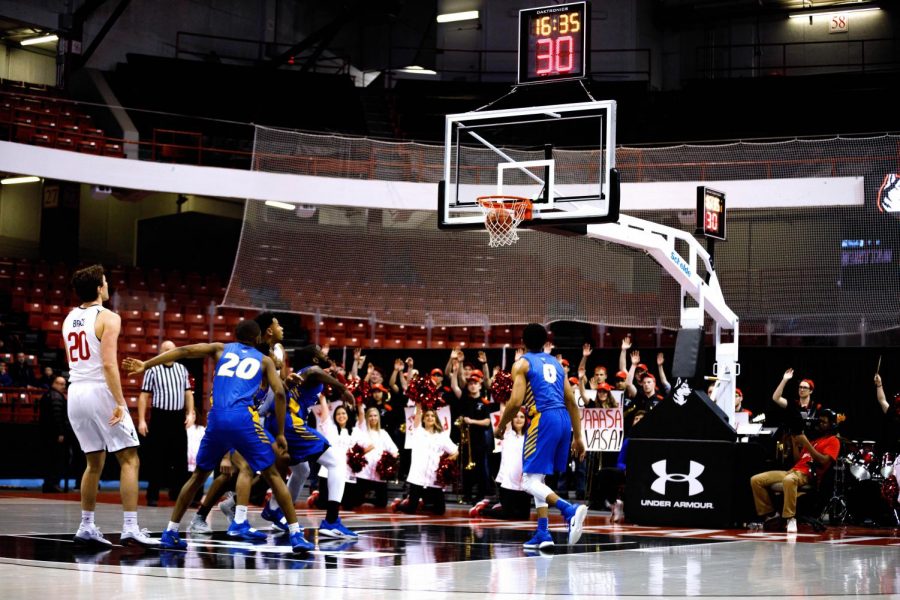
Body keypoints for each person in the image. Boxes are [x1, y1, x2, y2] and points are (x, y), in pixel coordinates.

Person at [122, 320, 315, 553]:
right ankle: (295, 534)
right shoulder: (264, 360)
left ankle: (171, 530)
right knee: (273, 473)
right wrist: (282, 433)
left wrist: (146, 364)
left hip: (216, 420)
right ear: (257, 339)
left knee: (198, 477)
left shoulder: (220, 348)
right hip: (243, 419)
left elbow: (183, 350)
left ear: (235, 336)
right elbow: (281, 395)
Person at [62, 264, 157, 548]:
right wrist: (119, 402)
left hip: (75, 392)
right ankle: (130, 527)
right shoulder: (109, 317)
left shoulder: (68, 318)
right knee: (129, 458)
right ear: (100, 288)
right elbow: (107, 364)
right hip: (99, 391)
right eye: (105, 281)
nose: (107, 284)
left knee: (93, 463)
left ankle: (86, 525)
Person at [494, 323, 588, 550]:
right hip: (564, 419)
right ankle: (543, 532)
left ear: (523, 342)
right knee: (538, 479)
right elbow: (571, 400)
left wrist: (501, 425)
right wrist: (578, 437)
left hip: (543, 419)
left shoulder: (522, 363)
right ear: (545, 342)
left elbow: (516, 402)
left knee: (527, 481)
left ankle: (569, 510)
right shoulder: (556, 363)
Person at [258, 343, 359, 539]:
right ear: (314, 359)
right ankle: (331, 521)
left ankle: (274, 509)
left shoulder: (304, 373)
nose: (324, 354)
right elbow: (313, 371)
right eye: (320, 353)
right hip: (290, 424)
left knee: (301, 470)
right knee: (336, 462)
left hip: (281, 423)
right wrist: (342, 388)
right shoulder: (310, 370)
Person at [749, 409, 841, 533]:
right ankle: (771, 515)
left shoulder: (833, 441)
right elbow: (798, 460)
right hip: (793, 471)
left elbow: (824, 461)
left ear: (832, 425)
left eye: (824, 422)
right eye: (819, 421)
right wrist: (794, 440)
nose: (820, 424)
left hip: (808, 474)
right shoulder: (814, 440)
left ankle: (790, 518)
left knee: (789, 480)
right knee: (756, 480)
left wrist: (806, 443)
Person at [136, 340, 195, 507]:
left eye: (171, 350)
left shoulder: (182, 369)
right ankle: (152, 495)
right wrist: (141, 420)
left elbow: (188, 393)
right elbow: (143, 396)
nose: (169, 352)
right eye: (166, 349)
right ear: (160, 351)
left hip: (177, 418)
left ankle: (178, 494)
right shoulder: (152, 369)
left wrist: (190, 413)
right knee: (156, 458)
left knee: (180, 458)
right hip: (159, 417)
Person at [393, 403, 458, 515]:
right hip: (417, 477)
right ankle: (398, 505)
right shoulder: (418, 431)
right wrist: (419, 404)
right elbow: (418, 413)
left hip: (433, 478)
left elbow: (455, 452)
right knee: (410, 510)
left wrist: (445, 464)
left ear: (436, 419)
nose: (430, 418)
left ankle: (422, 505)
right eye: (427, 415)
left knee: (440, 511)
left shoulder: (442, 436)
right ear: (423, 419)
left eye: (432, 416)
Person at [472, 409, 531, 521]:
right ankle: (482, 509)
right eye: (516, 416)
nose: (518, 419)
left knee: (523, 516)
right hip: (507, 481)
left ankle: (498, 506)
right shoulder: (507, 434)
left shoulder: (529, 437)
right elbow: (505, 411)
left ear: (526, 420)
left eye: (522, 417)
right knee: (506, 515)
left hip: (523, 481)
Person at [354, 405, 400, 507]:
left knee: (382, 503)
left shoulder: (383, 433)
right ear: (366, 417)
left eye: (375, 416)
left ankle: (368, 501)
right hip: (363, 471)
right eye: (370, 416)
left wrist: (392, 458)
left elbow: (394, 450)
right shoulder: (361, 431)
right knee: (356, 501)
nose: (373, 418)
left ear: (378, 417)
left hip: (378, 472)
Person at [39, 375, 70, 493]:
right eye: (61, 384)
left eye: (64, 384)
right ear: (54, 383)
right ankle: (53, 484)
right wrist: (61, 433)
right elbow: (57, 416)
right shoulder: (56, 397)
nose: (63, 386)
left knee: (49, 459)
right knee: (56, 459)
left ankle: (49, 483)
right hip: (54, 436)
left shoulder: (47, 395)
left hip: (47, 434)